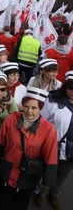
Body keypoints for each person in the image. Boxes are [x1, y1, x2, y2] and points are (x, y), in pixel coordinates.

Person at [0, 87, 58, 210]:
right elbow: (0, 139)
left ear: (41, 108)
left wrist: (47, 181)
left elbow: (51, 156)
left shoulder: (49, 130)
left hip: (29, 175)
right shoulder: (11, 119)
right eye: (26, 106)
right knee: (3, 201)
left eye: (34, 108)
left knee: (21, 204)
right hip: (8, 169)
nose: (29, 111)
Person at [38, 72, 73, 209]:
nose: (72, 92)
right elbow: (42, 121)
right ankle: (42, 192)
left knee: (63, 174)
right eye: (70, 88)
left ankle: (55, 193)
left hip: (71, 150)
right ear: (65, 87)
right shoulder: (53, 100)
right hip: (54, 145)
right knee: (49, 171)